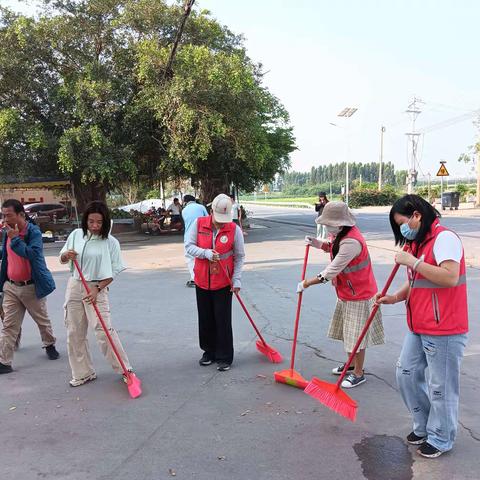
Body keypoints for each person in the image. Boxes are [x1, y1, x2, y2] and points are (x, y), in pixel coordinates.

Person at [376, 194, 468, 459]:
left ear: (417, 215)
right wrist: (394, 297)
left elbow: (449, 277)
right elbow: (418, 279)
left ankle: (441, 437)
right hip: (418, 324)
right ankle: (425, 425)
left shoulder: (444, 238)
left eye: (404, 223)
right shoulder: (417, 242)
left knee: (441, 387)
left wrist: (413, 262)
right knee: (405, 373)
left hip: (445, 328)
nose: (403, 231)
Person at [298, 201, 384, 388]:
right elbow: (332, 247)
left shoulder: (351, 242)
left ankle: (359, 373)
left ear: (340, 223)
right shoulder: (340, 233)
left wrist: (306, 283)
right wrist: (315, 243)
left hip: (359, 294)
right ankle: (352, 365)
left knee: (356, 336)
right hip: (347, 292)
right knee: (348, 333)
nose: (326, 226)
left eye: (329, 223)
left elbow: (330, 272)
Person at [60, 201, 134, 387]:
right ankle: (83, 373)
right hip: (75, 285)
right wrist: (66, 255)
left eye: (98, 222)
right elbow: (62, 257)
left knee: (103, 331)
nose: (94, 226)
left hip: (97, 288)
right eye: (90, 221)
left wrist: (98, 288)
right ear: (85, 220)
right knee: (74, 331)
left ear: (105, 222)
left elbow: (115, 270)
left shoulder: (111, 242)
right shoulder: (77, 235)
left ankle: (125, 370)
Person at [185, 193, 245, 371]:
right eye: (218, 218)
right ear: (211, 211)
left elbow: (240, 257)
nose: (221, 223)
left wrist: (237, 279)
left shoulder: (234, 229)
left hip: (224, 281)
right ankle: (208, 351)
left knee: (222, 319)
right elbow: (189, 246)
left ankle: (225, 356)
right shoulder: (199, 224)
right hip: (202, 279)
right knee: (205, 318)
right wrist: (206, 253)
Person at [0, 199, 59, 374]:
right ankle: (4, 362)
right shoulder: (7, 232)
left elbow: (31, 254)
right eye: (3, 215)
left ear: (21, 215)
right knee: (9, 325)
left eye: (8, 215)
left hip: (31, 287)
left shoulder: (33, 233)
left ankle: (49, 344)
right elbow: (7, 256)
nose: (4, 219)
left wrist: (14, 238)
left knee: (42, 321)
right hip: (11, 286)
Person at [182, 195, 208, 287]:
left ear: (185, 201)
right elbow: (208, 219)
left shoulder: (184, 210)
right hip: (202, 235)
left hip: (189, 236)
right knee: (203, 255)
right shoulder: (201, 207)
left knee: (190, 257)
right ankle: (205, 277)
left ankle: (194, 278)